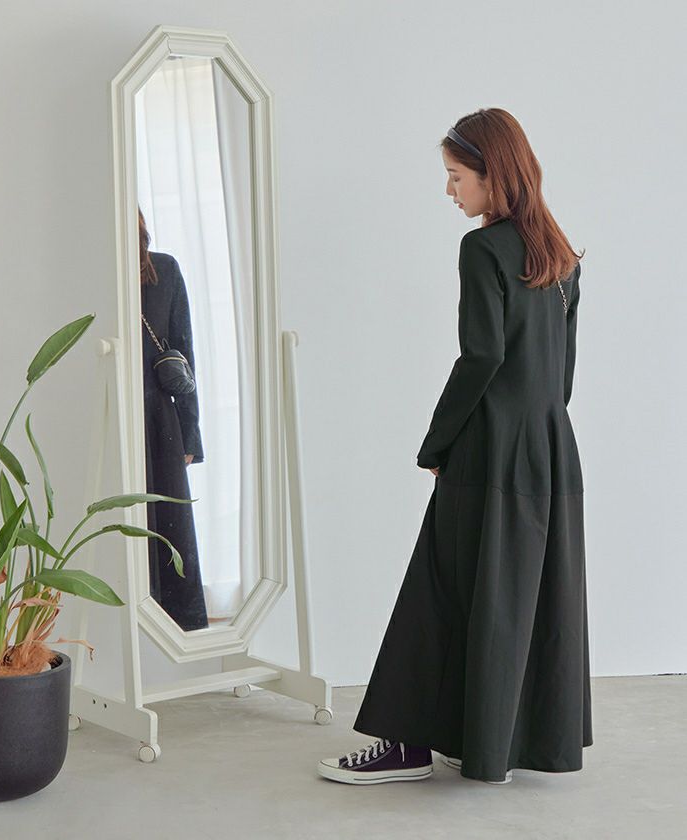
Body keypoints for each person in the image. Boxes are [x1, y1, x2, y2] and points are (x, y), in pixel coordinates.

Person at [318, 108, 592, 786]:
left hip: (488, 447)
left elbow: (482, 357)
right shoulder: (560, 255)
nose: (450, 190)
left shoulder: (483, 248)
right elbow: (562, 377)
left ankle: (407, 746)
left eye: (456, 175)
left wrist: (436, 443)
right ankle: (497, 743)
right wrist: (539, 428)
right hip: (549, 448)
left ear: (491, 175)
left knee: (439, 588)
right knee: (523, 595)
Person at [139, 208, 209, 632]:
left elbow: (183, 357)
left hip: (160, 420)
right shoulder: (90, 276)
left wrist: (189, 435)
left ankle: (179, 631)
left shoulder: (163, 270)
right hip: (125, 412)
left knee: (170, 529)